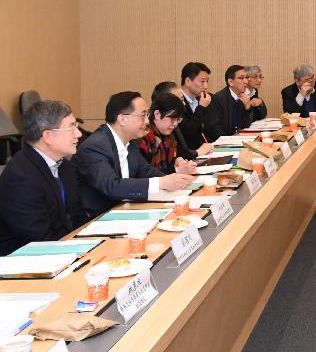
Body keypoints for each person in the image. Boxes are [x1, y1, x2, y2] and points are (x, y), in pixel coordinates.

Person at [74, 92, 195, 217]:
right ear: (122, 119)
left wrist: (175, 181)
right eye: (143, 116)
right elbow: (112, 186)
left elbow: (146, 171)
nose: (147, 121)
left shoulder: (130, 142)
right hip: (99, 219)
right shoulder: (95, 146)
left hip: (126, 211)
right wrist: (161, 182)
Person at [0, 101, 82, 255]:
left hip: (63, 250)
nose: (78, 134)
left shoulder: (65, 166)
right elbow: (37, 242)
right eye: (72, 127)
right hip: (27, 264)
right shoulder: (20, 177)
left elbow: (78, 218)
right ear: (48, 136)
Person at [139, 93, 198, 175]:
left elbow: (175, 157)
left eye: (178, 119)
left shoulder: (168, 135)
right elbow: (144, 175)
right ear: (157, 114)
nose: (175, 124)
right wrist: (177, 170)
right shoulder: (143, 137)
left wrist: (178, 160)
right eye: (173, 119)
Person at [152, 81, 214, 158]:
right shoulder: (149, 136)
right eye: (180, 100)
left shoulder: (170, 126)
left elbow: (180, 152)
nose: (184, 104)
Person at [178, 62, 220, 147]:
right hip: (188, 154)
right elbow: (188, 132)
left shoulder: (202, 99)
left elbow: (213, 128)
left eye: (207, 81)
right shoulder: (177, 101)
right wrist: (201, 108)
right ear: (188, 81)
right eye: (202, 81)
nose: (206, 86)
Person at [208, 64, 254, 137]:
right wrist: (230, 139)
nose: (246, 81)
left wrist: (248, 107)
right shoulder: (218, 99)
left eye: (246, 77)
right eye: (241, 78)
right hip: (224, 142)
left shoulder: (243, 97)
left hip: (238, 140)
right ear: (230, 82)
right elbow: (214, 129)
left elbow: (246, 126)